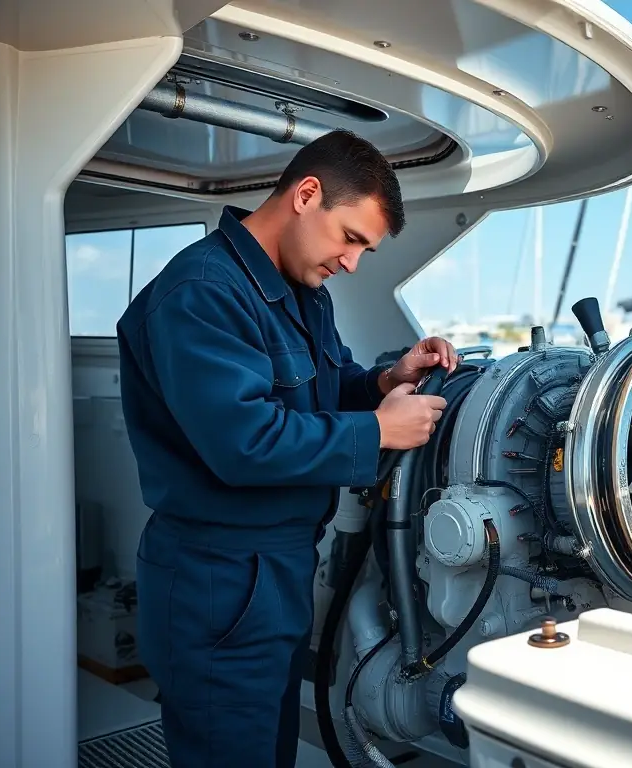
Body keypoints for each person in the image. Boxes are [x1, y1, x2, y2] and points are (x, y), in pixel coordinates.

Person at [116, 129, 457, 768]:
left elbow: (326, 390)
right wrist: (380, 430)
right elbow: (243, 443)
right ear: (306, 195)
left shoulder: (304, 293)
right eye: (352, 239)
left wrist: (386, 382)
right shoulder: (202, 291)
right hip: (215, 575)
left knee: (268, 752)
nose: (352, 262)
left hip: (276, 569)